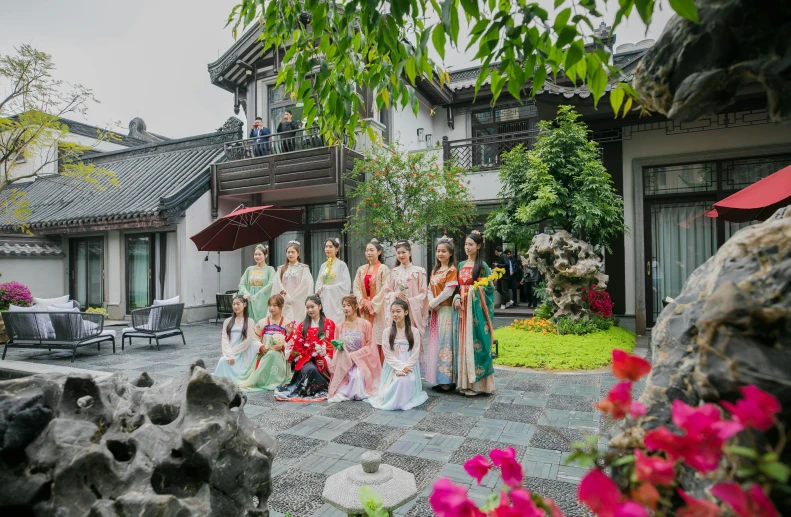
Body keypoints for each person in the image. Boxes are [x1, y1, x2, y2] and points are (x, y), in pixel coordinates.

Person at [453, 231, 495, 396]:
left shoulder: (483, 266)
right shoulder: (461, 264)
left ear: (478, 246)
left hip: (476, 314)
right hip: (463, 312)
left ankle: (478, 385)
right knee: (464, 344)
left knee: (476, 344)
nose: (467, 247)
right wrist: (457, 297)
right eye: (465, 244)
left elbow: (490, 289)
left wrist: (473, 292)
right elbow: (457, 286)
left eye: (471, 244)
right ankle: (465, 383)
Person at [367, 300, 428, 411]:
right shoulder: (387, 331)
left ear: (405, 312)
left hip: (410, 366)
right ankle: (393, 401)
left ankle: (402, 401)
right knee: (398, 380)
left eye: (398, 311)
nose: (395, 314)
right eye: (393, 312)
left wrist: (406, 368)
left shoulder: (413, 332)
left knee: (404, 380)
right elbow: (387, 354)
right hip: (392, 366)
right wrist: (400, 367)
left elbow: (415, 353)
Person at [275, 295, 336, 402]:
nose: (310, 310)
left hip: (323, 361)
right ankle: (315, 389)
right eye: (307, 307)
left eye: (312, 307)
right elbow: (296, 345)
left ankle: (322, 387)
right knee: (311, 369)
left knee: (316, 369)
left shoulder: (329, 324)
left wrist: (326, 359)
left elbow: (331, 344)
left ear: (320, 306)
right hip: (306, 359)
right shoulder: (302, 326)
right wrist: (289, 334)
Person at [327, 295, 382, 402]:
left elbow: (370, 346)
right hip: (344, 360)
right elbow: (337, 348)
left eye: (348, 305)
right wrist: (340, 349)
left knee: (357, 376)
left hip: (361, 360)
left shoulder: (366, 324)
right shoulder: (339, 326)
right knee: (346, 377)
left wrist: (354, 355)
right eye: (343, 306)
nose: (346, 308)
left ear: (356, 306)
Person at [423, 236, 459, 391]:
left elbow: (448, 292)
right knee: (437, 343)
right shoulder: (435, 270)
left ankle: (448, 381)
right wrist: (432, 303)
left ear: (450, 253)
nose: (440, 254)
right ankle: (439, 379)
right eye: (438, 251)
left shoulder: (452, 270)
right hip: (437, 311)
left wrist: (433, 303)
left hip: (446, 311)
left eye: (443, 251)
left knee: (446, 344)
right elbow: (429, 289)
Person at [236, 294, 293, 391]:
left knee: (272, 354)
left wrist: (281, 347)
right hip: (264, 353)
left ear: (281, 306)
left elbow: (292, 343)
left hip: (280, 356)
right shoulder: (263, 322)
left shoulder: (287, 323)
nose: (271, 308)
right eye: (270, 305)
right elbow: (254, 338)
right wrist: (260, 346)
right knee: (269, 354)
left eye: (275, 305)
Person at [353, 239, 391, 361]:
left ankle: (380, 366)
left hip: (378, 308)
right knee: (365, 335)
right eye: (367, 250)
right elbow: (356, 286)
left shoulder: (384, 269)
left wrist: (372, 304)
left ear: (379, 252)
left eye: (372, 250)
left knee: (378, 335)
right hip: (365, 306)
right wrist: (363, 301)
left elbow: (386, 288)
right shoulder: (361, 269)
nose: (368, 252)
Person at [384, 240, 428, 335]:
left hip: (413, 310)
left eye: (404, 252)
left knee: (413, 334)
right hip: (397, 311)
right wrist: (394, 294)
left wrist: (412, 300)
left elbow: (424, 293)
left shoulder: (419, 272)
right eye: (398, 253)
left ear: (410, 253)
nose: (401, 255)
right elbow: (387, 292)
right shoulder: (392, 272)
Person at [214, 295, 260, 380]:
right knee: (222, 361)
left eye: (238, 304)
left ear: (244, 304)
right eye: (234, 304)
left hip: (242, 353)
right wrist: (228, 354)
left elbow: (247, 342)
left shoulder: (250, 321)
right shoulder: (227, 321)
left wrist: (232, 353)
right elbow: (225, 340)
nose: (235, 306)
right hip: (229, 353)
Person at [271, 240, 314, 324]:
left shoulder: (304, 268)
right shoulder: (281, 269)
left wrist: (295, 296)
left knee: (299, 323)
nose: (290, 254)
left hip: (299, 300)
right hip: (284, 299)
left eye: (293, 252)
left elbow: (306, 284)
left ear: (298, 253)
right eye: (288, 252)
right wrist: (285, 295)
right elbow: (277, 285)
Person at [315, 238, 351, 325]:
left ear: (337, 249)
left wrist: (327, 288)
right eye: (326, 247)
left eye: (330, 246)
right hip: (326, 300)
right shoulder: (323, 266)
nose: (327, 249)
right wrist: (319, 289)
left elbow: (345, 284)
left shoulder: (341, 265)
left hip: (337, 300)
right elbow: (319, 282)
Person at [238, 244, 277, 322]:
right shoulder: (249, 269)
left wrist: (258, 294)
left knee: (262, 323)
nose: (257, 256)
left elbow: (271, 283)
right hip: (250, 300)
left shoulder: (270, 269)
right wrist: (247, 294)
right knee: (249, 323)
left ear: (265, 255)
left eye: (260, 254)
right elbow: (242, 284)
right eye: (255, 254)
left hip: (263, 301)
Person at [493, 245, 511, 310]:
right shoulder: (500, 256)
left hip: (505, 276)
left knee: (504, 290)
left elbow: (507, 265)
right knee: (499, 288)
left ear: (496, 251)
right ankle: (508, 300)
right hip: (501, 276)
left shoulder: (504, 256)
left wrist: (498, 265)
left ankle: (503, 304)